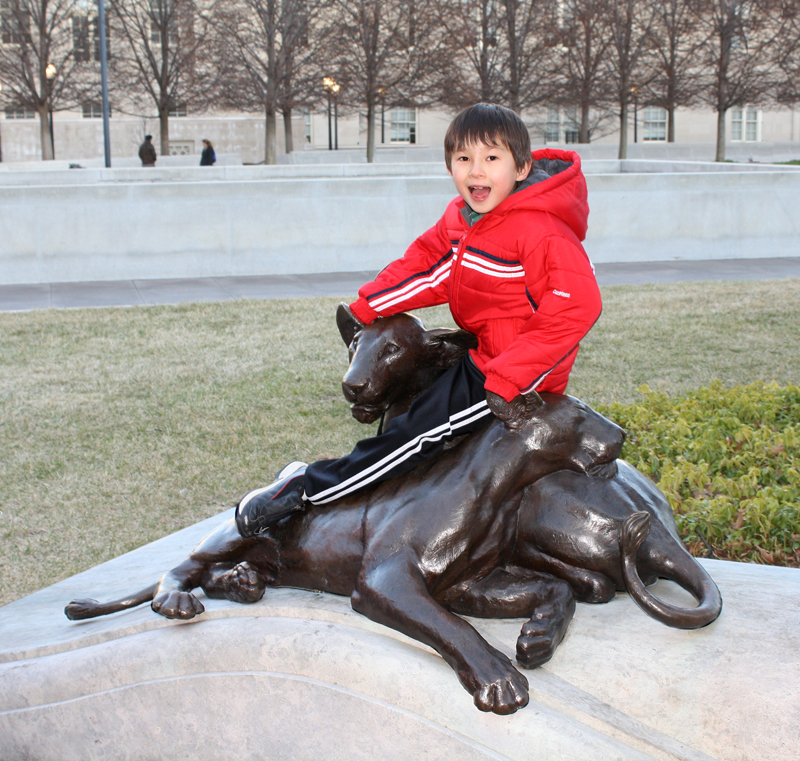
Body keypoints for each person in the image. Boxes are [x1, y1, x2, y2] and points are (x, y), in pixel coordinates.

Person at [236, 102, 602, 538]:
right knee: (413, 396)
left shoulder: (542, 231)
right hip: (485, 353)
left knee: (411, 436)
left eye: (491, 158)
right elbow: (429, 267)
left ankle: (306, 490)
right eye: (464, 159)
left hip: (516, 376)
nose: (476, 172)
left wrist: (509, 378)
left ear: (521, 167)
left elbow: (575, 306)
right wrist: (369, 305)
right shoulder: (468, 221)